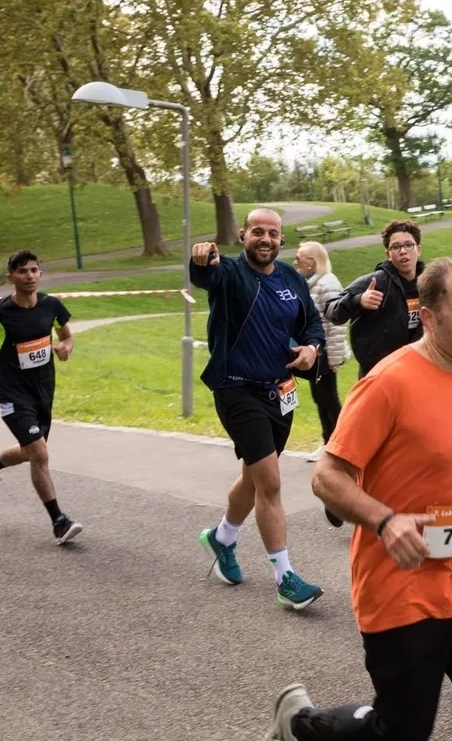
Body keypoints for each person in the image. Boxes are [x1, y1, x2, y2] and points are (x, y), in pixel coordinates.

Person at [263, 256, 452, 741]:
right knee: (399, 730)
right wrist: (386, 521)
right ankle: (300, 726)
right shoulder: (388, 383)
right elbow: (328, 477)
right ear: (430, 317)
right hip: (401, 589)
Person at [190, 208, 327, 611]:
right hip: (236, 390)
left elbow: (312, 325)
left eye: (273, 233)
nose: (265, 239)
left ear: (281, 240)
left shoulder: (290, 279)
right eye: (257, 232)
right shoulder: (231, 273)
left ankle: (222, 538)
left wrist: (310, 349)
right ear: (243, 234)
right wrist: (201, 259)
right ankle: (285, 577)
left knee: (253, 476)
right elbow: (206, 275)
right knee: (270, 481)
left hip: (279, 392)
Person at [0, 249, 83, 545]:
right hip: (13, 393)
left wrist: (66, 347)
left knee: (30, 451)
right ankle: (59, 522)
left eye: (34, 270)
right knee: (39, 453)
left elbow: (67, 335)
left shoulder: (52, 306)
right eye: (23, 271)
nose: (30, 276)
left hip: (44, 391)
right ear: (11, 277)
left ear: (41, 274)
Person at [294, 240, 352, 529]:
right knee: (321, 398)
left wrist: (335, 358)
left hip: (327, 353)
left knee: (329, 399)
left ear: (312, 261)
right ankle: (330, 440)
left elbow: (337, 325)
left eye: (300, 258)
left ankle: (340, 443)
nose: (296, 263)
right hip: (315, 350)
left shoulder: (327, 282)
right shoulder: (310, 283)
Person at [324, 220, 424, 378]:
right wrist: (358, 300)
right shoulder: (377, 282)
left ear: (418, 250)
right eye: (396, 247)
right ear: (388, 254)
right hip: (377, 373)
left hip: (415, 369)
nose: (403, 251)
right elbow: (331, 310)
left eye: (408, 245)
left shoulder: (428, 283)